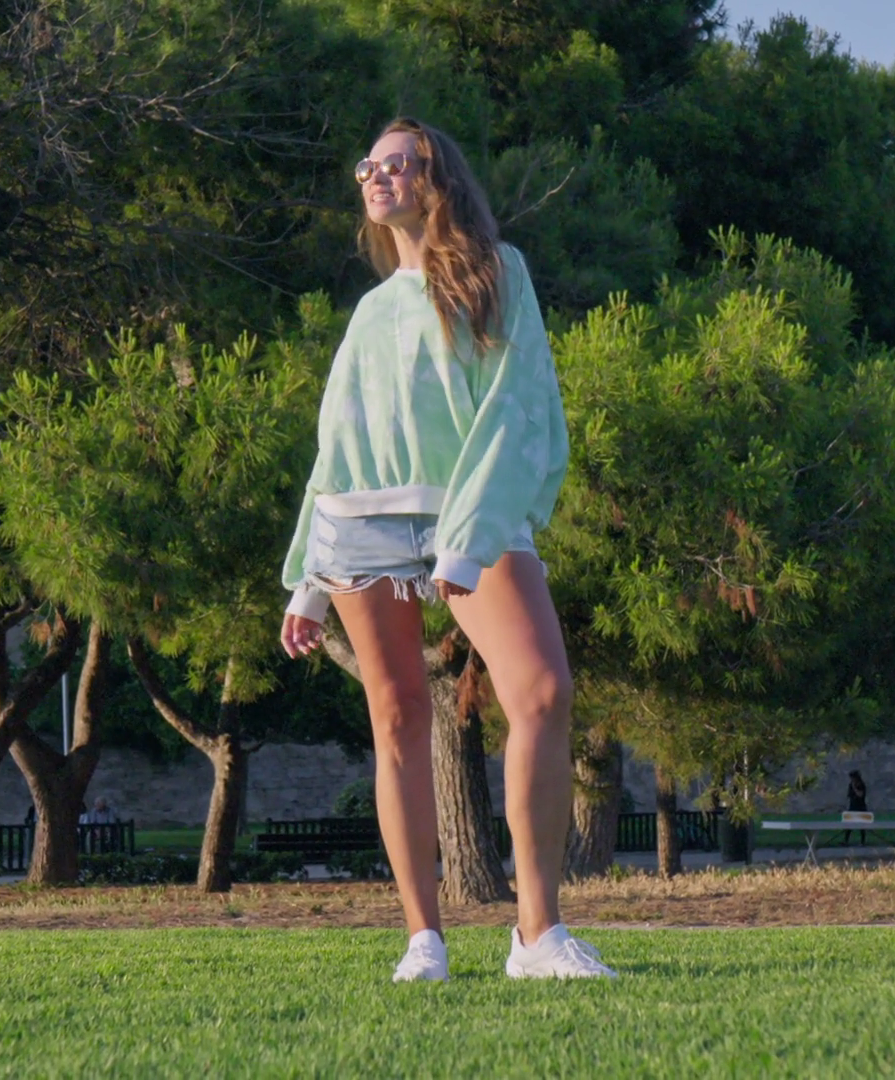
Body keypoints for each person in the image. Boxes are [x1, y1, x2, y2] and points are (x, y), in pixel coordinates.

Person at [278, 117, 613, 982]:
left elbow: (516, 405)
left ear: (438, 177)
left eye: (398, 162)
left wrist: (466, 539)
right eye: (368, 166)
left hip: (469, 514)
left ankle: (537, 936)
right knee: (396, 718)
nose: (377, 176)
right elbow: (336, 447)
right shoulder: (369, 313)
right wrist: (308, 581)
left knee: (541, 692)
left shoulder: (499, 273)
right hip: (362, 526)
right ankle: (423, 939)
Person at [846, 770, 869, 845]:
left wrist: (855, 788)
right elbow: (849, 796)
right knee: (849, 825)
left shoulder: (861, 785)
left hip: (860, 807)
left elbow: (860, 795)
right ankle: (846, 840)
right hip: (853, 807)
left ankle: (863, 841)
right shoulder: (850, 785)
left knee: (862, 826)